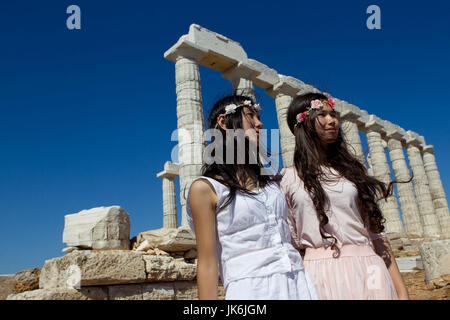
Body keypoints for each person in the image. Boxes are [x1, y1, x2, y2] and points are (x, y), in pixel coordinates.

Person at [186, 94, 318, 300]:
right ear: (223, 122)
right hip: (251, 291)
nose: (260, 123)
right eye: (250, 115)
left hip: (300, 283)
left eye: (258, 117)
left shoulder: (273, 183)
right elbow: (208, 263)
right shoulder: (206, 189)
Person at [280, 92, 409, 300]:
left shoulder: (353, 173)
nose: (332, 120)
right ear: (302, 123)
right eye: (322, 114)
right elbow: (290, 240)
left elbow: (377, 236)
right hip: (319, 274)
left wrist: (402, 293)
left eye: (334, 114)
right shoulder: (287, 179)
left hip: (370, 268)